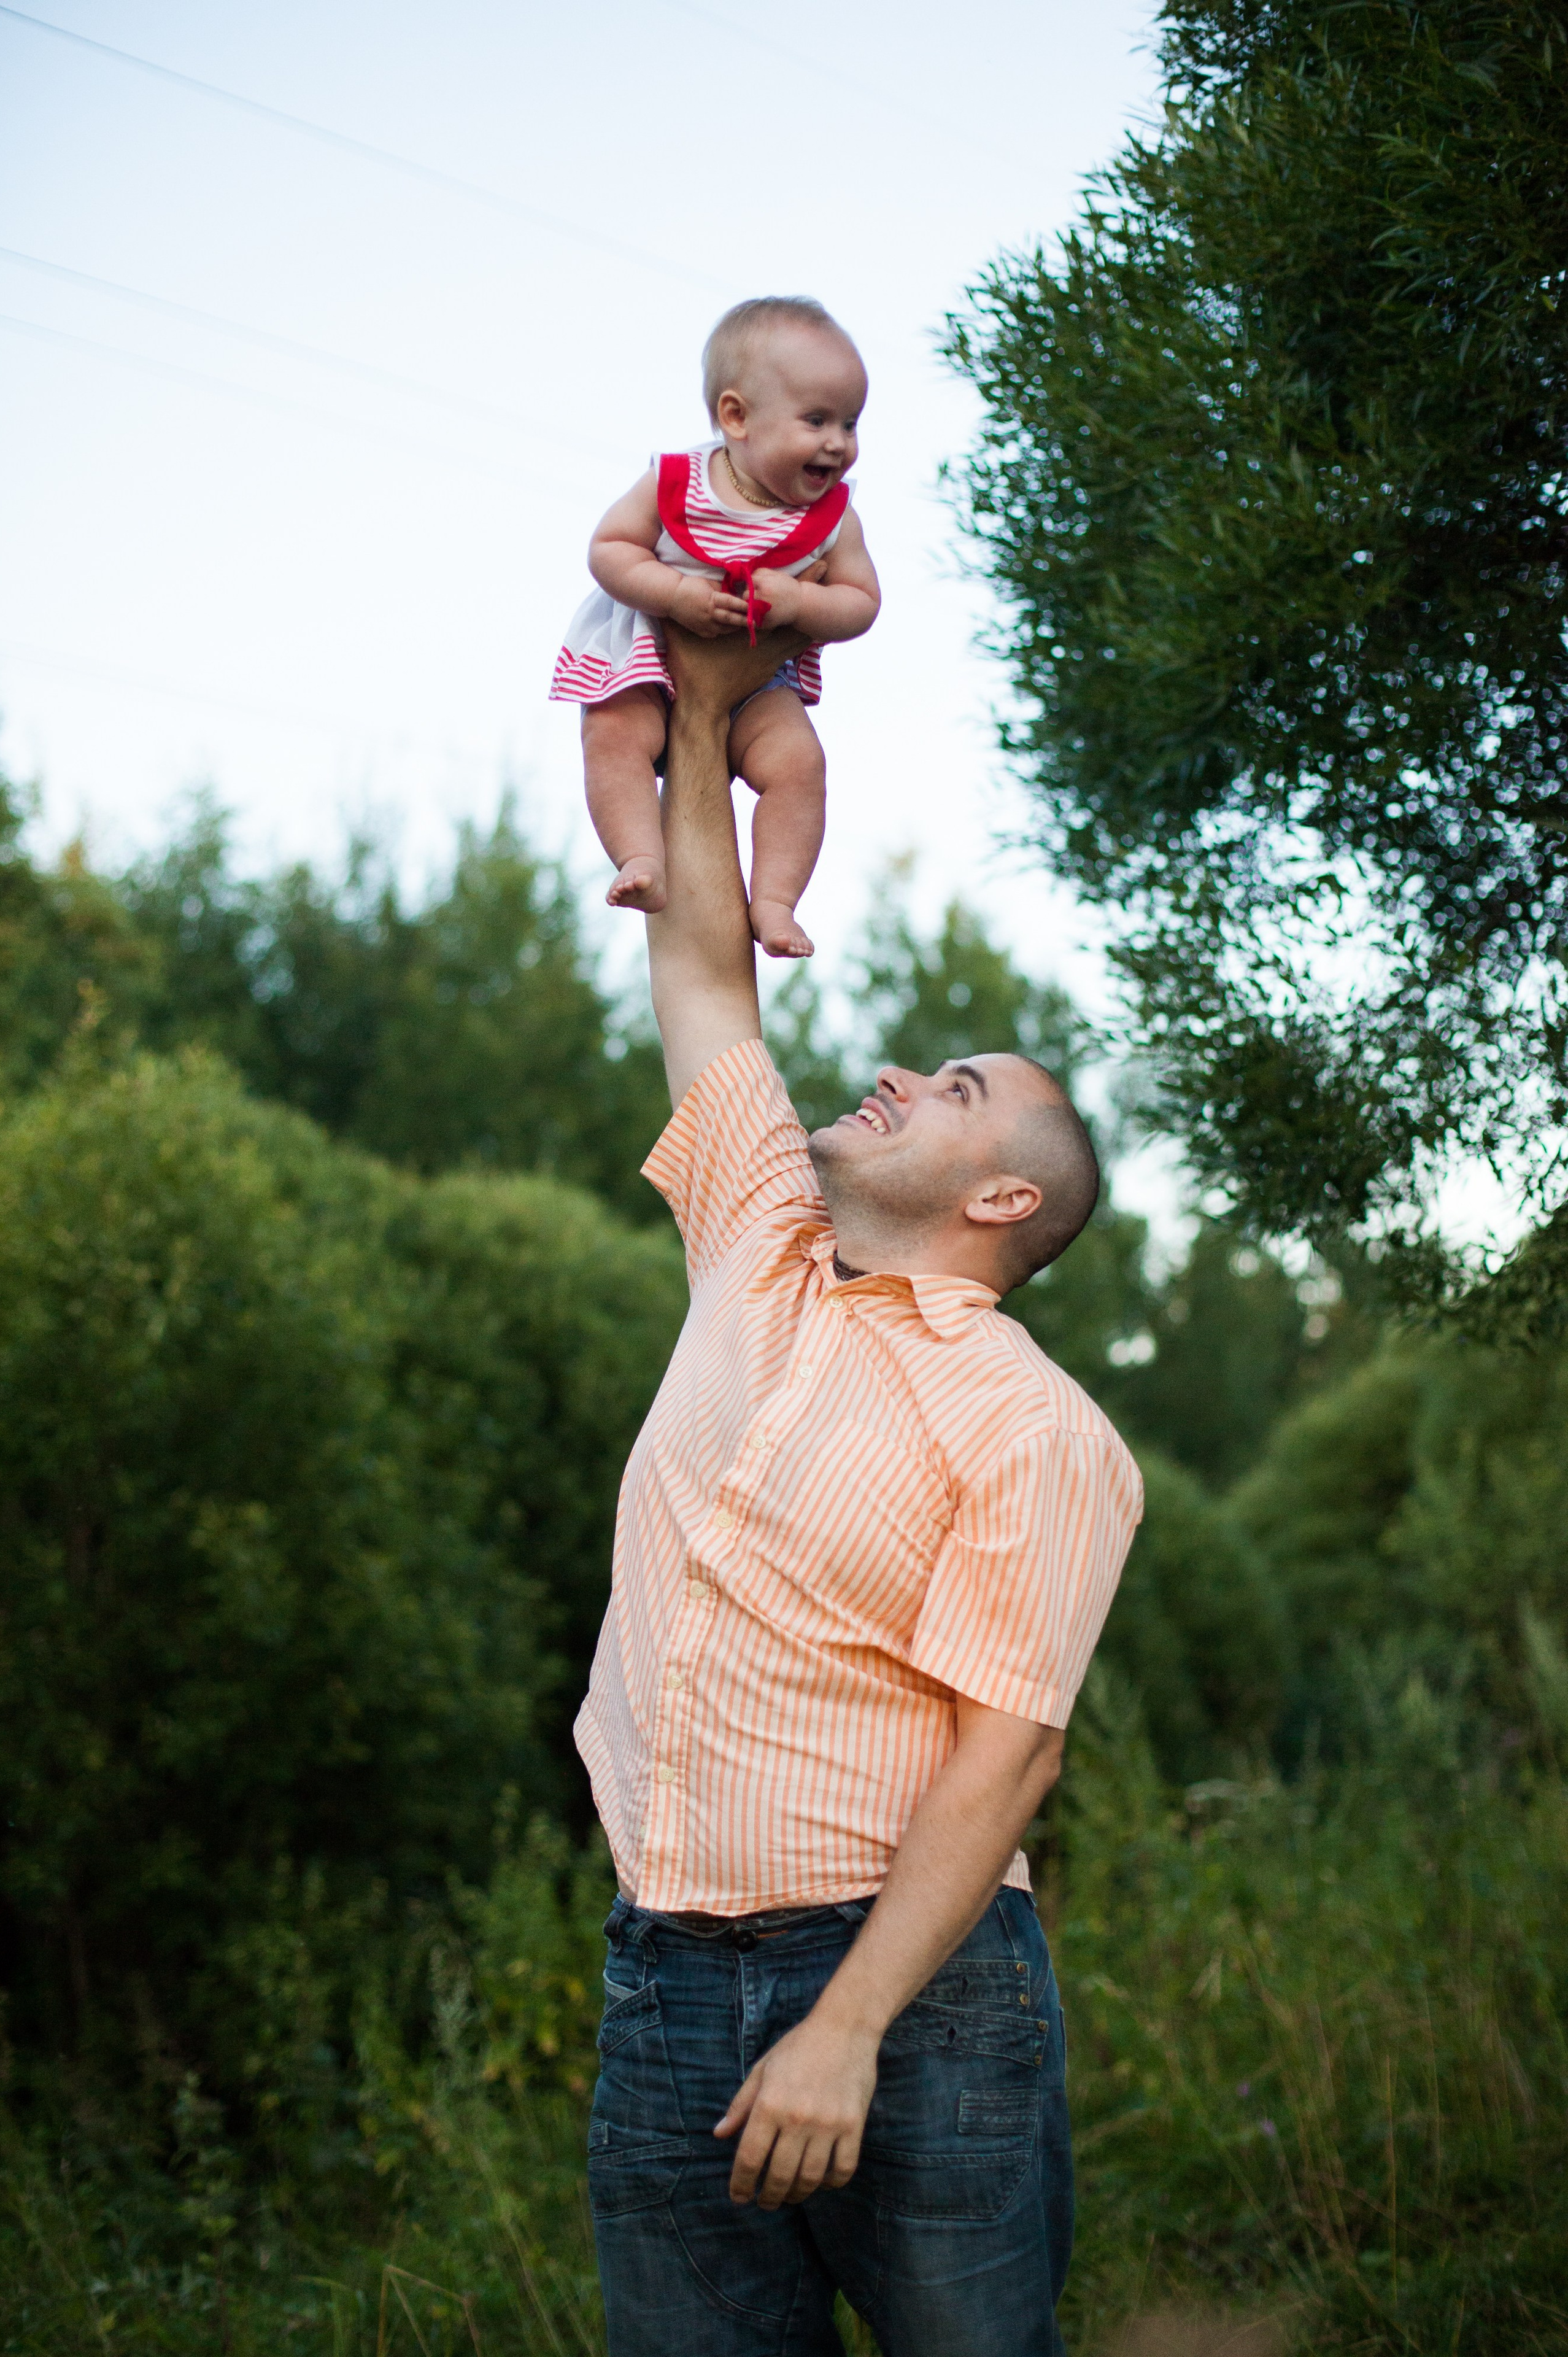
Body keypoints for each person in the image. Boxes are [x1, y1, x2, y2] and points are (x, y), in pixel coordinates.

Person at [574, 618, 1143, 2357]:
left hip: (921, 1995)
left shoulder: (1041, 1430)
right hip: (662, 1973)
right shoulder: (759, 1245)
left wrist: (847, 2027)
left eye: (956, 1090)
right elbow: (698, 969)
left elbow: (1013, 1751)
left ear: (1000, 1206)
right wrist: (690, 688)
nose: (900, 1075)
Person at [550, 295, 880, 959]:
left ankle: (776, 901)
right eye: (816, 420)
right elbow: (609, 550)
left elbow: (861, 603)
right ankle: (639, 857)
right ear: (736, 416)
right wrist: (674, 593)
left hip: (760, 678)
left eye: (849, 423)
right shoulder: (677, 480)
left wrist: (796, 603)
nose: (837, 444)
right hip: (647, 650)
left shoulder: (834, 520)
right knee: (613, 736)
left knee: (798, 765)